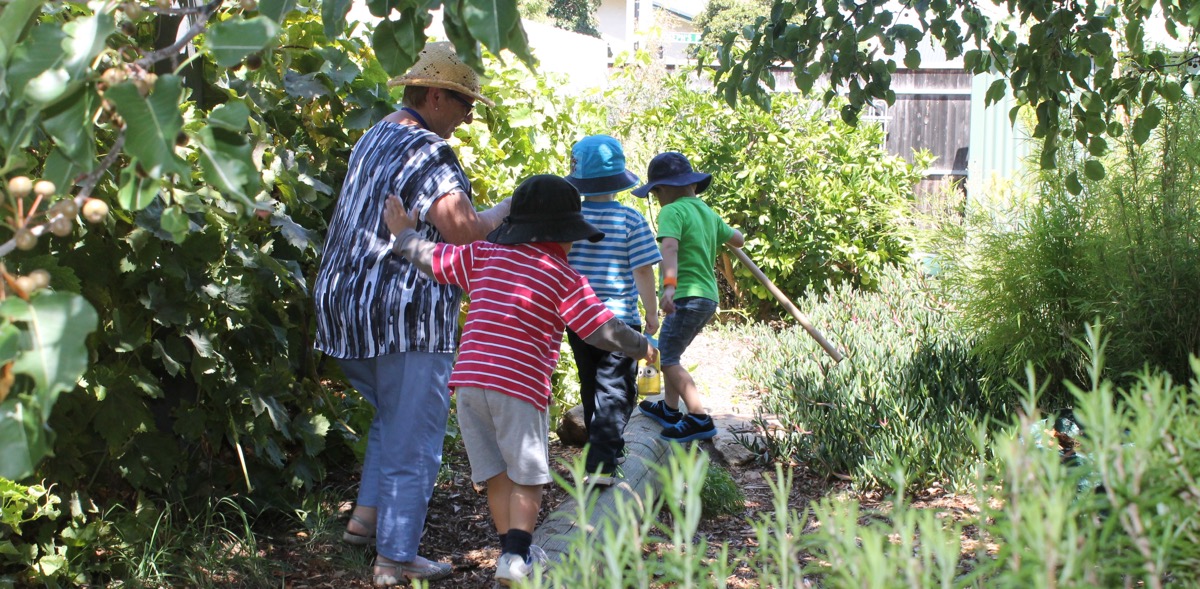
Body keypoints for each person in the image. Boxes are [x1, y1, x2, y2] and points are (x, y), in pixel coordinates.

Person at [384, 174, 657, 587]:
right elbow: (600, 330)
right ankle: (517, 555)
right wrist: (643, 347)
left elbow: (433, 258)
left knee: (497, 474)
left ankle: (511, 552)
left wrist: (404, 236)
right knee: (528, 476)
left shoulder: (483, 255)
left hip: (470, 384)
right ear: (562, 233)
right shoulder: (563, 276)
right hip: (518, 386)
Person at [311, 42, 513, 586]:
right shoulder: (427, 148)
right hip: (403, 311)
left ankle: (365, 522)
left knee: (391, 417)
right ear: (434, 96)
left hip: (344, 305)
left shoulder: (376, 135)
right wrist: (510, 208)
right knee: (416, 437)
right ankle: (396, 559)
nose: (469, 115)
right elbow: (463, 230)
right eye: (464, 103)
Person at [562, 135, 661, 486]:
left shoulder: (570, 220)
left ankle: (605, 450)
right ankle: (602, 466)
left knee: (591, 384)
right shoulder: (630, 221)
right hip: (619, 318)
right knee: (617, 388)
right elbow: (644, 270)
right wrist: (651, 313)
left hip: (578, 318)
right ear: (620, 179)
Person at [631, 152, 744, 442]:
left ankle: (698, 417)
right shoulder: (707, 213)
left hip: (684, 295)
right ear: (693, 186)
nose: (657, 200)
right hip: (707, 298)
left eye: (655, 194)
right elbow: (738, 240)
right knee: (672, 352)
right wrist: (733, 232)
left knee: (667, 359)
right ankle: (670, 410)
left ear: (662, 190)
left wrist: (669, 286)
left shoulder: (672, 211)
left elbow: (669, 248)